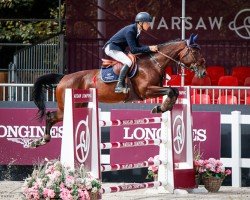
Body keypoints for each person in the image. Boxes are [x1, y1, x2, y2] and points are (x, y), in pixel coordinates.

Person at [104, 12, 158, 93]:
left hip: (118, 48)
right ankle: (119, 85)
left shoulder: (137, 30)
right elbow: (134, 50)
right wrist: (149, 48)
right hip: (112, 48)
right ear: (140, 23)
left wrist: (150, 48)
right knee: (128, 61)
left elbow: (138, 46)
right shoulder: (131, 31)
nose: (149, 25)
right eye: (147, 23)